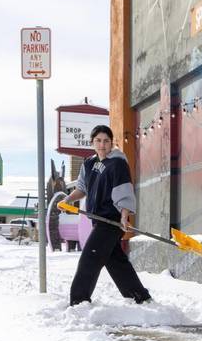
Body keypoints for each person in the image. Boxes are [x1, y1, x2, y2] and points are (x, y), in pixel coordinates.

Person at [65, 125, 152, 306]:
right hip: (98, 221)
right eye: (98, 140)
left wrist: (124, 216)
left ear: (112, 143)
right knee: (116, 262)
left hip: (112, 221)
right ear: (92, 142)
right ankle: (140, 297)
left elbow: (124, 192)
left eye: (106, 141)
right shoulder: (88, 164)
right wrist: (67, 199)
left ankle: (79, 302)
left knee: (89, 258)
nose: (102, 145)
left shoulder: (117, 163)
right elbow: (82, 189)